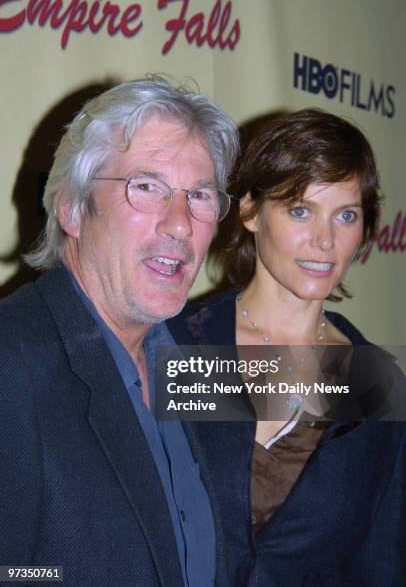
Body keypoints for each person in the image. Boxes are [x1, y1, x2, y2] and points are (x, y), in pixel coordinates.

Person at [0, 77, 239, 586]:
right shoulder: (9, 367)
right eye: (147, 187)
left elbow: (345, 388)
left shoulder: (191, 357)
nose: (180, 224)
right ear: (72, 208)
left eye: (198, 195)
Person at [168, 109, 406, 586]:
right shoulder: (178, 343)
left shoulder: (375, 385)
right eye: (300, 210)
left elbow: (382, 564)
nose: (324, 240)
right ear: (251, 211)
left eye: (346, 215)